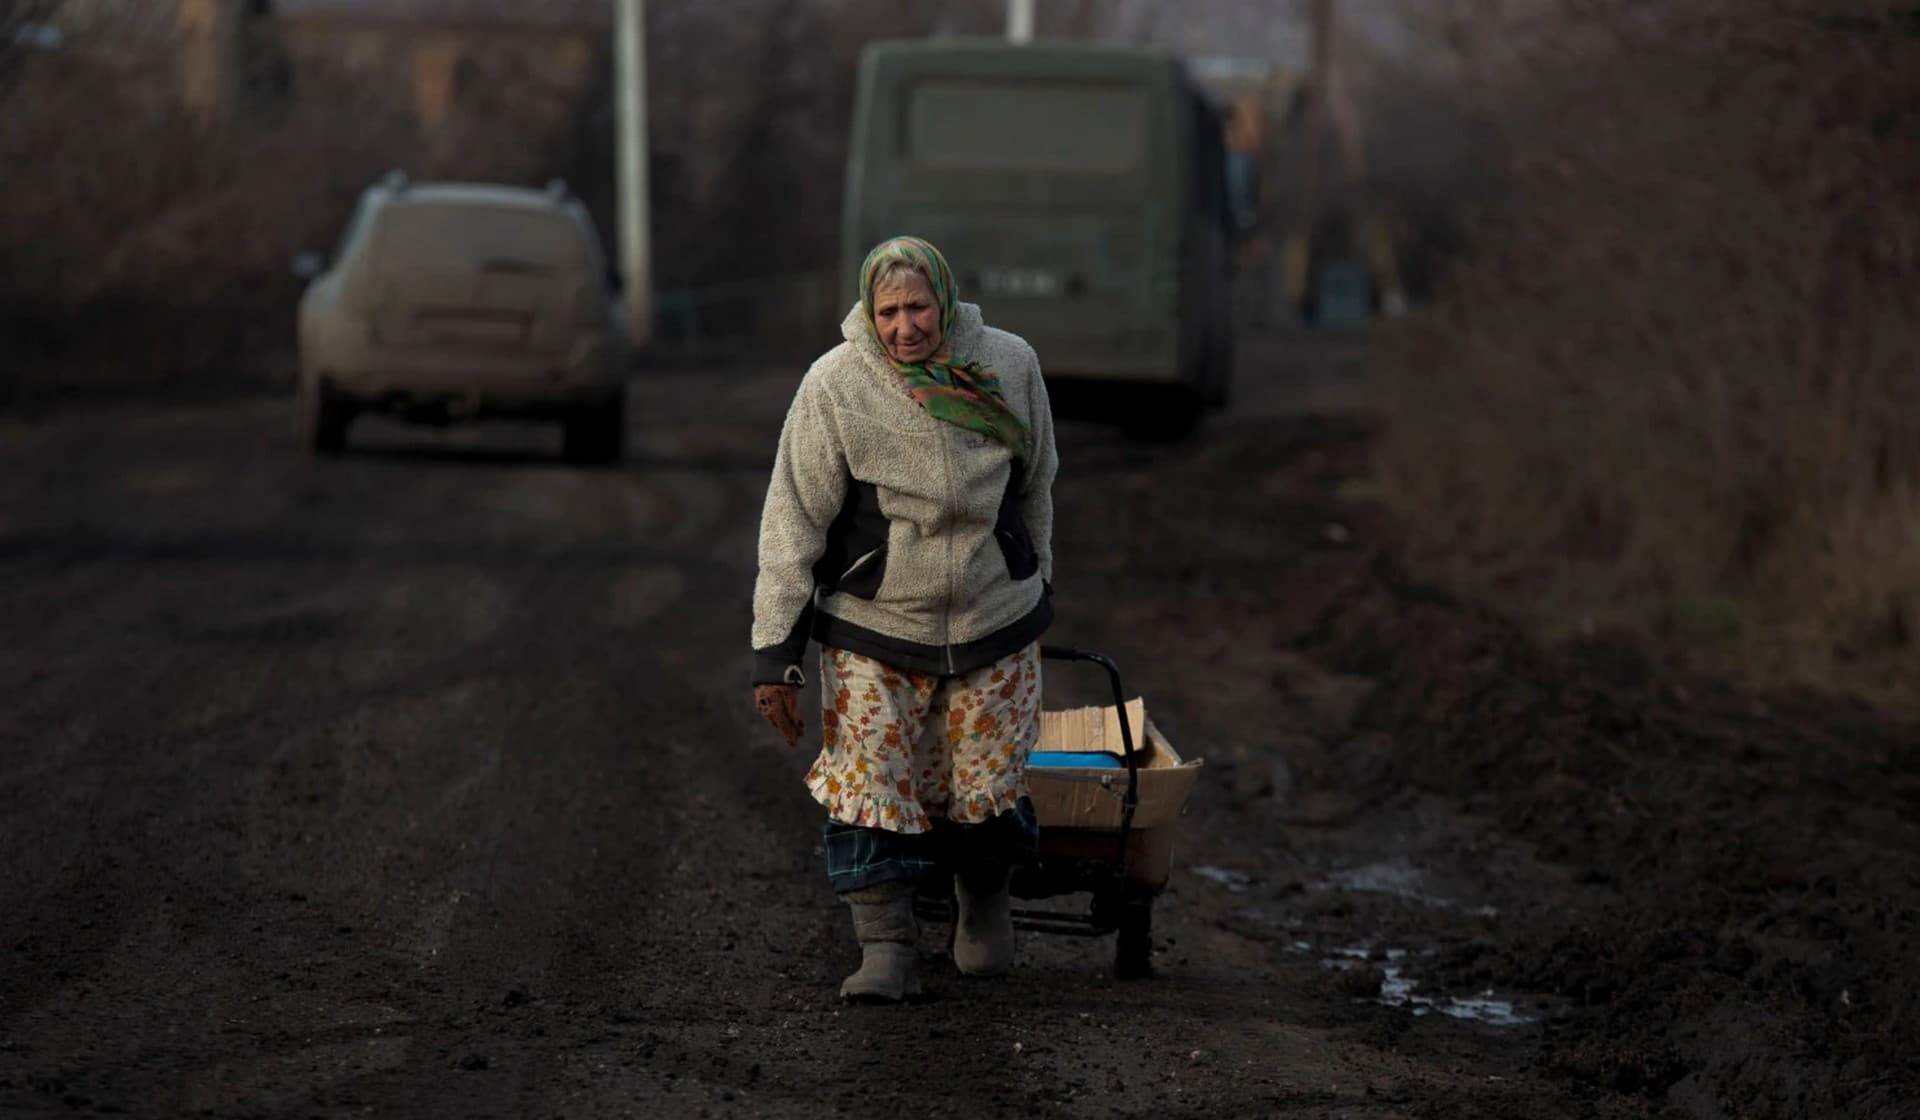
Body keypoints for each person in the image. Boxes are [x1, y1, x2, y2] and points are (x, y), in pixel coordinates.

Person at [751, 236, 1058, 1003]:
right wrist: (775, 654)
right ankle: (884, 944)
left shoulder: (1010, 364)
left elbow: (1036, 480)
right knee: (870, 785)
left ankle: (983, 905)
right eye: (887, 311)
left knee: (988, 788)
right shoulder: (835, 384)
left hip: (994, 616)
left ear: (945, 304)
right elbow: (793, 520)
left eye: (918, 307)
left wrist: (1035, 574)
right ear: (868, 311)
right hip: (876, 623)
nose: (904, 326)